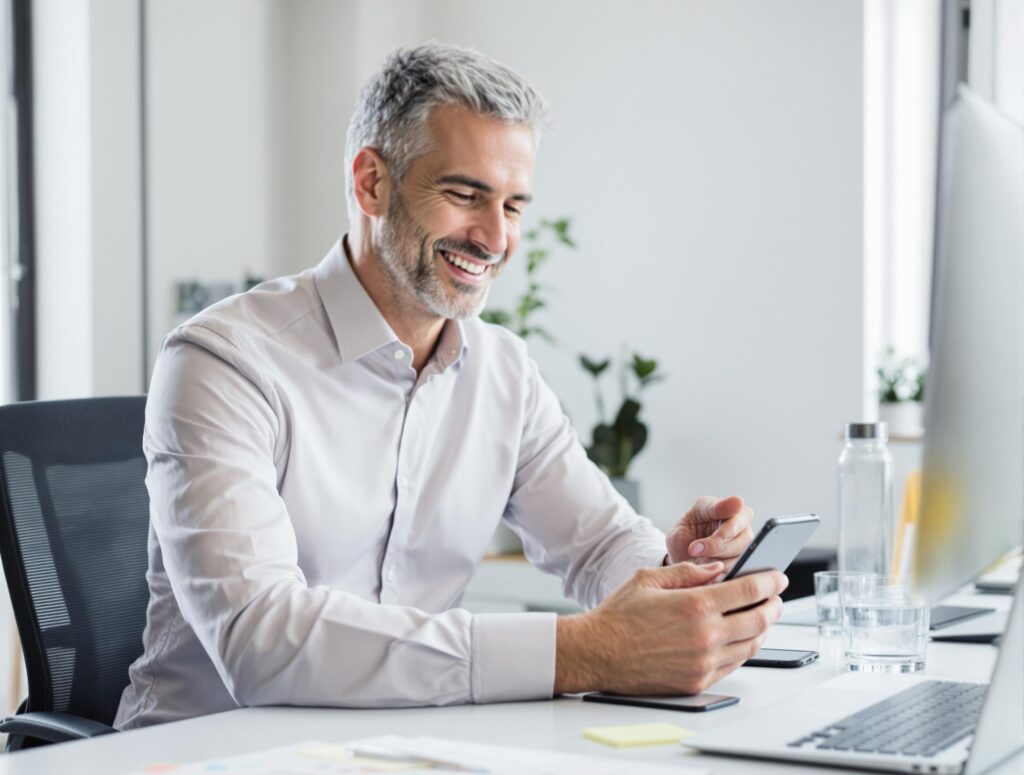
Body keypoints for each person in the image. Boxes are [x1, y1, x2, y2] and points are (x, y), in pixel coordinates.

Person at [115, 42, 786, 730]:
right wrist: (588, 649)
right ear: (372, 182)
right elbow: (261, 639)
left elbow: (599, 544)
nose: (495, 237)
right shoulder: (226, 361)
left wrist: (682, 573)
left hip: (402, 745)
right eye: (465, 194)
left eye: (514, 205)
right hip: (203, 751)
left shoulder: (503, 373)